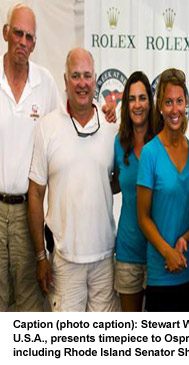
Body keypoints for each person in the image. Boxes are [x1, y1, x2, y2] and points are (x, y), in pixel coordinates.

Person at [28, 47, 118, 312]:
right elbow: (35, 194)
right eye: (75, 76)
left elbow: (114, 182)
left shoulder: (111, 127)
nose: (82, 83)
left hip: (104, 260)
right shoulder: (47, 127)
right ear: (65, 80)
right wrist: (40, 256)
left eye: (87, 76)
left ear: (96, 79)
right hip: (64, 263)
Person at [0, 3, 59, 311]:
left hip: (29, 213)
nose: (23, 41)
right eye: (18, 33)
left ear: (35, 43)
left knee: (29, 304)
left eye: (30, 37)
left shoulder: (46, 83)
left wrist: (102, 117)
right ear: (6, 33)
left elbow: (65, 131)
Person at [137, 68, 189, 312]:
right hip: (162, 273)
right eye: (168, 102)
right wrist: (168, 253)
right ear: (160, 108)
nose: (174, 109)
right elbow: (143, 217)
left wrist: (184, 239)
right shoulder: (150, 153)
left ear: (186, 103)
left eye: (179, 101)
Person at [113, 71, 154, 311]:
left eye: (142, 98)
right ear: (126, 104)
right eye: (131, 99)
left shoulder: (161, 142)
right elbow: (114, 182)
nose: (137, 105)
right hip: (128, 250)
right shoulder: (119, 143)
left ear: (150, 101)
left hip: (157, 251)